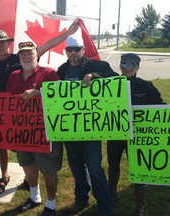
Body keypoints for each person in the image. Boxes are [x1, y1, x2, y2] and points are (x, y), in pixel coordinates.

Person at [0, 20, 79, 194]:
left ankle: (32, 183)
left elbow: (47, 45)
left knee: (33, 152)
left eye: (3, 42)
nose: (0, 46)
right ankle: (6, 177)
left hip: (34, 117)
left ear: (9, 43)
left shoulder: (22, 57)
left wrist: (68, 33)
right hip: (5, 114)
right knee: (4, 148)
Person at [57, 34, 119, 216]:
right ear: (66, 51)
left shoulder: (97, 65)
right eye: (70, 50)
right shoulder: (62, 70)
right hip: (70, 129)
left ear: (83, 50)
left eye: (77, 49)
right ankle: (81, 199)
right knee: (76, 166)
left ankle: (105, 206)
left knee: (94, 167)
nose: (74, 53)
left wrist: (94, 76)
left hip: (92, 128)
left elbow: (114, 77)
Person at [6, 41, 62, 216]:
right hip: (22, 132)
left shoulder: (49, 73)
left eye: (30, 53)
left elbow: (60, 97)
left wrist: (39, 93)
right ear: (19, 57)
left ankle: (51, 204)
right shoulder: (14, 75)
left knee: (48, 168)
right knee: (28, 165)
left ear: (36, 55)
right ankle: (34, 196)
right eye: (23, 54)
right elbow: (7, 101)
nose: (27, 57)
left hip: (44, 132)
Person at [107, 53, 165, 216]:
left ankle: (139, 207)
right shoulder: (111, 84)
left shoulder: (146, 86)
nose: (128, 68)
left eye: (132, 65)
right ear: (120, 66)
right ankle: (112, 193)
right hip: (116, 133)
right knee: (113, 164)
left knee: (141, 168)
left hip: (140, 136)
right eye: (124, 64)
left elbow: (160, 107)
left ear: (138, 67)